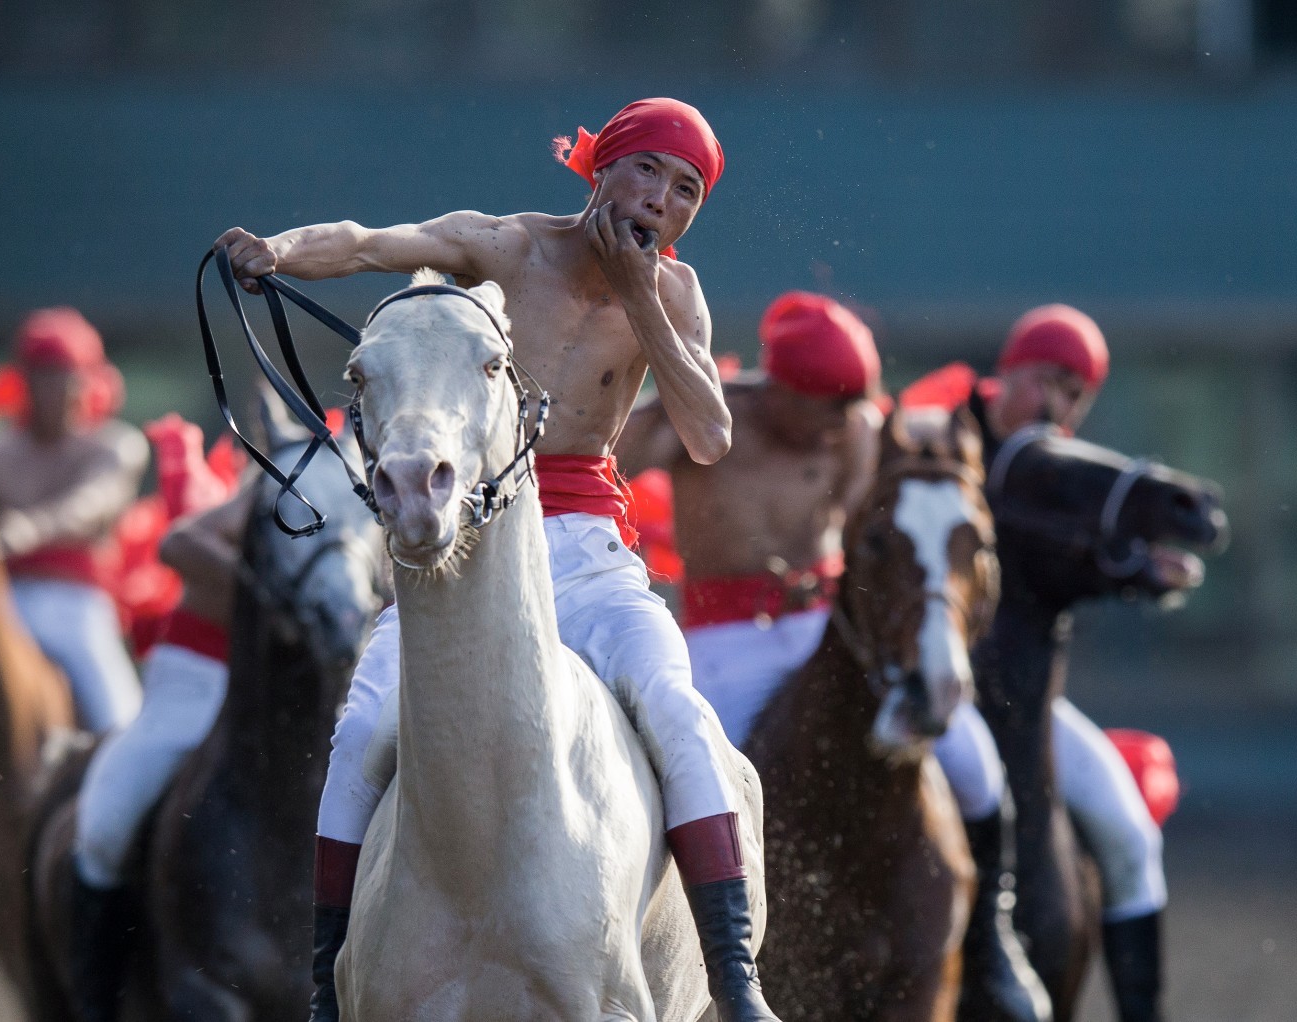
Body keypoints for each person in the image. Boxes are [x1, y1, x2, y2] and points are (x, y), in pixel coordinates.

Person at [219, 97, 779, 1022]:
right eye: (648, 172)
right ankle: (326, 985)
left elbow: (710, 435)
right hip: (468, 547)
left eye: (687, 192)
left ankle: (734, 980)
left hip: (592, 560)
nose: (663, 201)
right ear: (605, 169)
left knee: (679, 713)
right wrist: (274, 252)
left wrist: (640, 297)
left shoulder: (674, 295)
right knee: (361, 732)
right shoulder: (504, 245)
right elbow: (364, 243)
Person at [617, 291, 1051, 1022]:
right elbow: (605, 460)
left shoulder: (852, 426)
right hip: (724, 641)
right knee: (682, 774)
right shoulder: (706, 418)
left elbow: (906, 498)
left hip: (829, 627)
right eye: (825, 404)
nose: (841, 422)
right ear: (780, 388)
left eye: (853, 403)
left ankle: (990, 939)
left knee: (972, 761)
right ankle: (655, 948)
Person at [910, 304, 1169, 1022]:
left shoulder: (1063, 474)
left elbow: (1096, 547)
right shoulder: (938, 429)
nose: (1054, 404)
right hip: (921, 685)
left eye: (1075, 394)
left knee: (1128, 833)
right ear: (1010, 370)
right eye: (1046, 380)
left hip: (1023, 702)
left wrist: (1144, 565)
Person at [63, 470, 256, 1021]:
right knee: (103, 828)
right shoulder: (272, 482)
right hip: (198, 678)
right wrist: (260, 588)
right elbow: (178, 543)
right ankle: (95, 1001)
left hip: (307, 696)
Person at [0, 308, 147, 734]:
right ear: (23, 381)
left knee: (120, 720)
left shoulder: (115, 447)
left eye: (64, 375)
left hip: (76, 605)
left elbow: (91, 504)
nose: (54, 389)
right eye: (42, 374)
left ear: (88, 380)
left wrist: (30, 529)